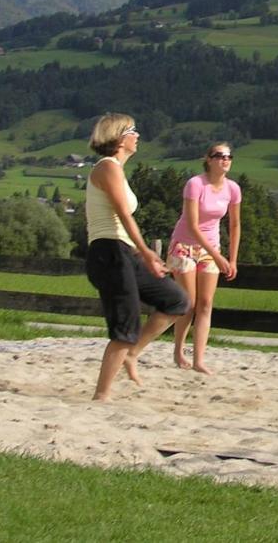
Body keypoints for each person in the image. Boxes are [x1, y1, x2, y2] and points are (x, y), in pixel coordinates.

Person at [83, 113, 188, 401]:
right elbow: (123, 216)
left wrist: (142, 254)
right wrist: (148, 254)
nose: (137, 135)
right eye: (132, 131)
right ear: (118, 137)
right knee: (124, 327)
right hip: (110, 253)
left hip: (124, 252)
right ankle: (102, 395)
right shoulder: (107, 168)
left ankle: (132, 354)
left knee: (176, 300)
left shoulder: (116, 169)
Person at [167, 142, 242, 374]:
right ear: (209, 159)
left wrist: (232, 259)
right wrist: (218, 256)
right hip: (185, 245)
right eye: (219, 155)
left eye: (228, 156)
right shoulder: (195, 184)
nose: (225, 159)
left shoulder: (233, 189)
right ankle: (178, 350)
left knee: (206, 303)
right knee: (188, 302)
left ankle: (199, 359)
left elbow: (235, 224)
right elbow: (192, 223)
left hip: (211, 248)